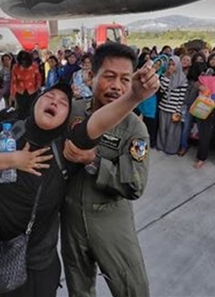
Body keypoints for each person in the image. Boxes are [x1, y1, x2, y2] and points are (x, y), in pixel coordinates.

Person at [0, 59, 159, 297]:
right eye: (48, 97)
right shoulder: (9, 132)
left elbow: (95, 124)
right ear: (35, 103)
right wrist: (14, 160)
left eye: (64, 102)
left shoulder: (65, 145)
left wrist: (133, 97)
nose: (55, 101)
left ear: (66, 119)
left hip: (38, 264)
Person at [61, 43, 154, 297]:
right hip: (70, 220)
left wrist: (93, 161)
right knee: (78, 287)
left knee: (132, 288)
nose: (117, 86)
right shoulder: (73, 111)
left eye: (125, 79)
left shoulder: (134, 129)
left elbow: (135, 185)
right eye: (109, 76)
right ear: (91, 76)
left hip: (110, 219)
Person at [157, 55, 189, 154]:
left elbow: (181, 97)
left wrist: (178, 110)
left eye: (173, 64)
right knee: (162, 128)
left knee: (173, 131)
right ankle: (161, 146)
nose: (171, 66)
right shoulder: (164, 76)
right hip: (163, 106)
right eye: (169, 64)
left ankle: (171, 148)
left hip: (174, 109)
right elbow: (162, 89)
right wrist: (168, 76)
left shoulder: (183, 79)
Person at [11, 50, 42, 119]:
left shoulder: (34, 66)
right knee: (21, 110)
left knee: (31, 109)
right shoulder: (15, 67)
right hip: (20, 91)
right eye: (22, 60)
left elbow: (38, 77)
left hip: (32, 91)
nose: (23, 62)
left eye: (25, 60)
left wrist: (38, 86)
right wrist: (12, 94)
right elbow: (13, 81)